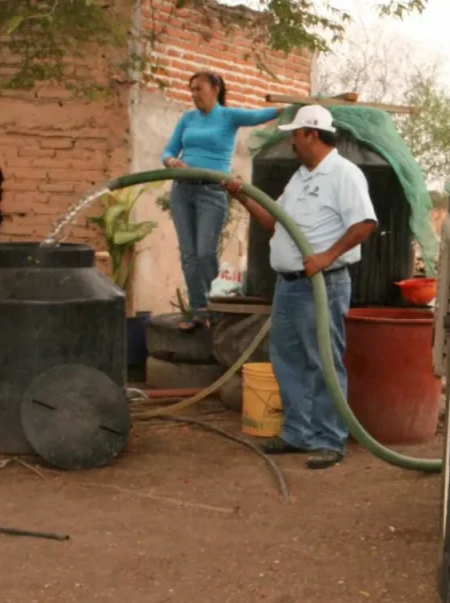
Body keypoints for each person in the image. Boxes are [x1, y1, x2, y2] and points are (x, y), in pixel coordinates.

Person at [222, 104, 377, 470]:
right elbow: (275, 223)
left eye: (295, 134)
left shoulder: (344, 174)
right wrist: (243, 196)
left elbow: (365, 223)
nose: (291, 141)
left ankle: (329, 439)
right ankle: (297, 434)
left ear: (312, 133)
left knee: (322, 359)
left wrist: (326, 255)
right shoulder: (299, 178)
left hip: (322, 284)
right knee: (287, 360)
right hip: (288, 286)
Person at [162, 71, 281, 331]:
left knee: (205, 253)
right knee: (189, 256)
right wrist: (172, 161)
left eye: (199, 89)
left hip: (211, 191)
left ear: (215, 88)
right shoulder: (187, 119)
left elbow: (261, 115)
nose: (194, 95)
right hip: (183, 190)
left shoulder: (229, 116)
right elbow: (169, 150)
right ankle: (198, 311)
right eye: (191, 90)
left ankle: (213, 309)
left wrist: (293, 107)